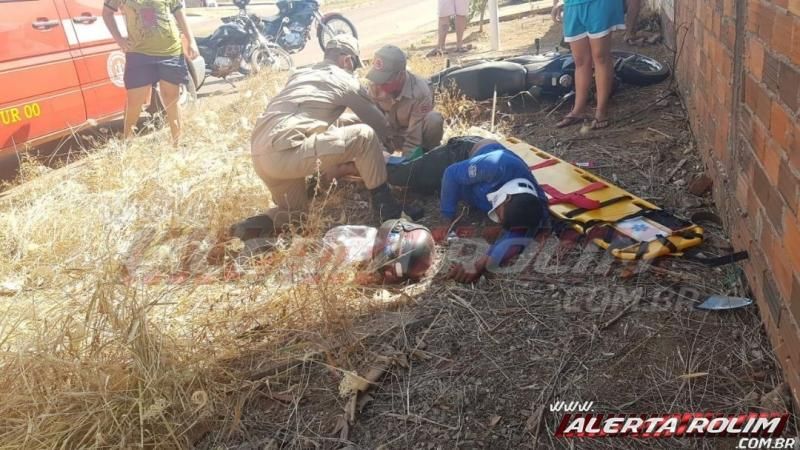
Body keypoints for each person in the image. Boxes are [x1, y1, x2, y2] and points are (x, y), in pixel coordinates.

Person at [243, 35, 423, 240]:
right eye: (354, 64)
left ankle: (248, 227)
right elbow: (378, 124)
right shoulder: (344, 79)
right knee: (364, 136)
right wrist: (388, 153)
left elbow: (314, 119)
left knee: (297, 217)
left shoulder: (299, 75)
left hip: (260, 153)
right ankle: (388, 211)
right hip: (286, 151)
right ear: (347, 61)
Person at [436, 139, 549, 283]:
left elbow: (517, 235)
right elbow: (451, 174)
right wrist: (446, 218)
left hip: (470, 184)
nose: (499, 222)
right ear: (506, 198)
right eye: (500, 215)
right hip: (461, 152)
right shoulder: (495, 165)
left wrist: (480, 264)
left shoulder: (535, 208)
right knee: (409, 173)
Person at [102, 0, 198, 146]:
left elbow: (178, 12)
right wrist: (119, 40)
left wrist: (191, 41)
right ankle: (127, 144)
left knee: (171, 99)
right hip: (139, 54)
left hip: (170, 51)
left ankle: (177, 145)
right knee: (135, 101)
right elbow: (107, 14)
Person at [551, 0, 625, 130]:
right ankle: (578, 110)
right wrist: (556, 3)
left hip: (599, 4)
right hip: (572, 6)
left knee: (600, 56)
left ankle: (601, 111)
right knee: (580, 60)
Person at [366, 45, 444, 157]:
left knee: (434, 119)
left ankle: (429, 156)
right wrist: (381, 155)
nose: (379, 85)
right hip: (388, 135)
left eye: (385, 81)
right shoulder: (374, 85)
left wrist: (406, 165)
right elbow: (373, 124)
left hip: (411, 135)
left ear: (401, 75)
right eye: (378, 78)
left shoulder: (419, 91)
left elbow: (414, 139)